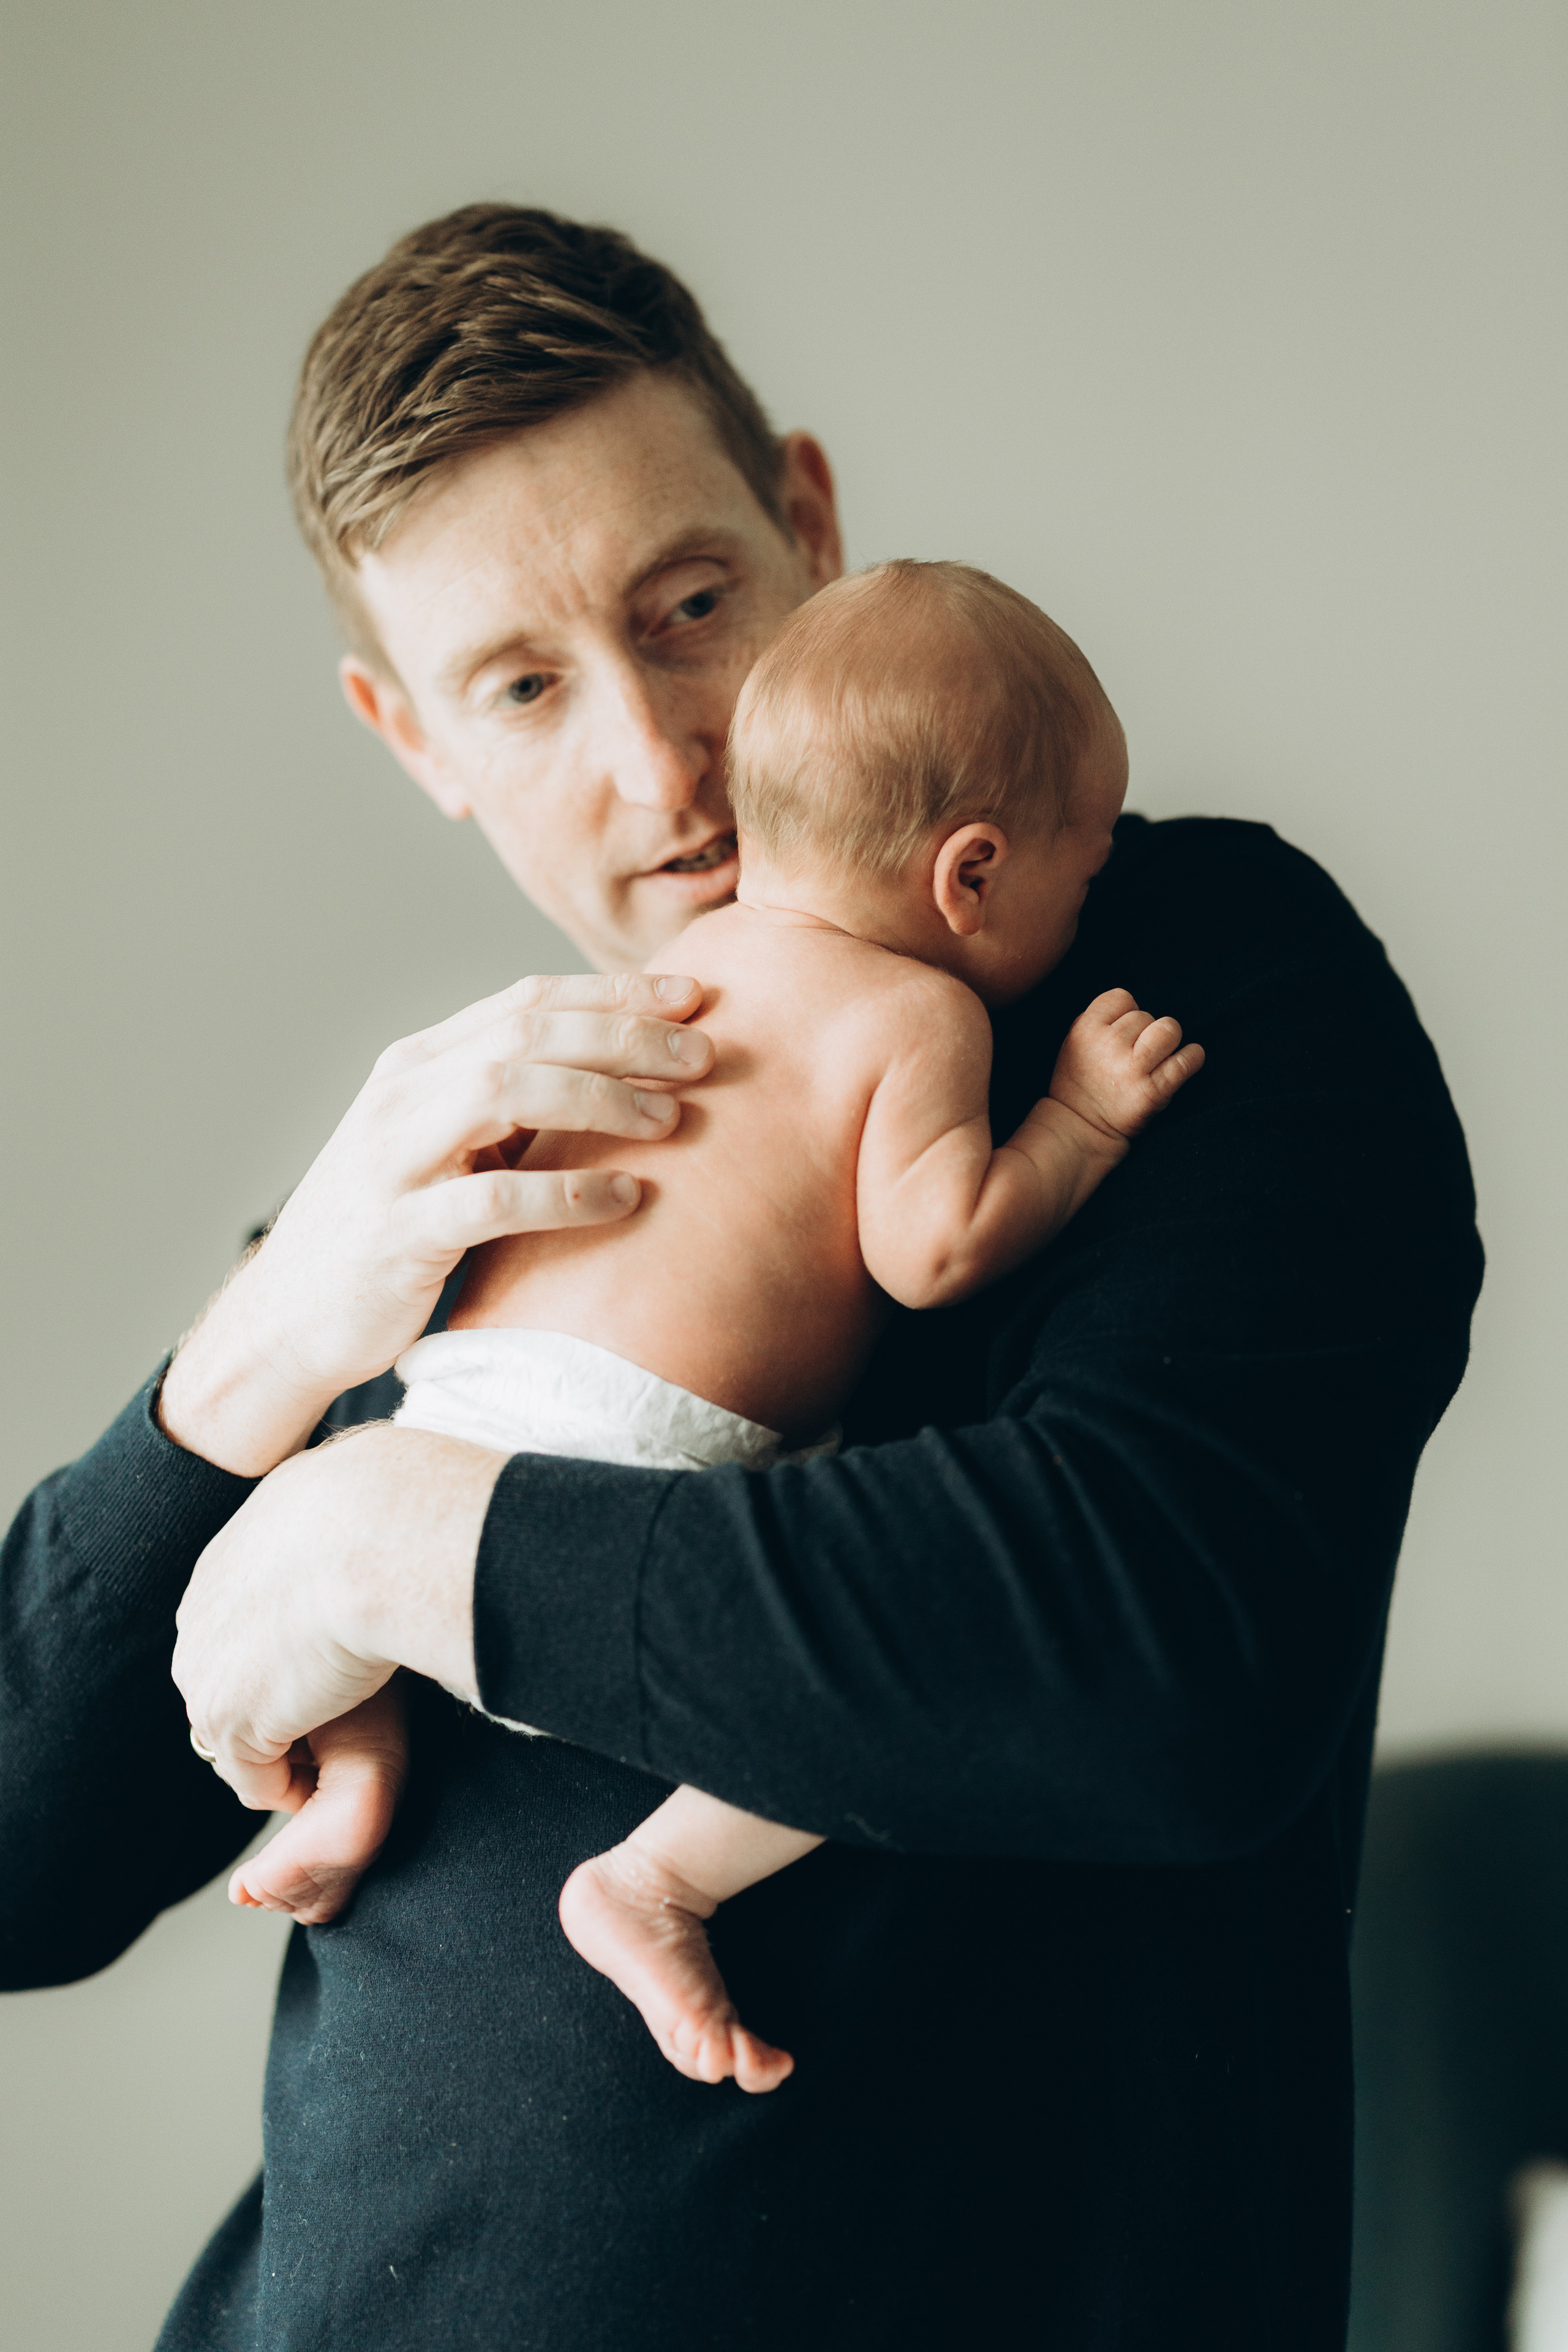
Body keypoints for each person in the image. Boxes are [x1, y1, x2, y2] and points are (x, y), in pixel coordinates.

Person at [0, 204, 1482, 2350]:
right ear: (410, 735)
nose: (661, 760)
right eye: (520, 687)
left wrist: (393, 1532)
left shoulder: (1175, 984)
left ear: (806, 520)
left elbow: (1165, 1645)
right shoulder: (458, 1167)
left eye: (689, 605)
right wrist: (255, 1356)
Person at [224, 560, 1205, 2100]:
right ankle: (655, 1884)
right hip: (634, 1458)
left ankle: (345, 1787)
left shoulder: (664, 972)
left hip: (455, 1401)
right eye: (1074, 877)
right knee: (845, 1708)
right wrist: (1075, 1123)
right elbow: (933, 1247)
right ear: (969, 876)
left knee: (364, 1623)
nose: (1085, 904)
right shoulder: (915, 1015)